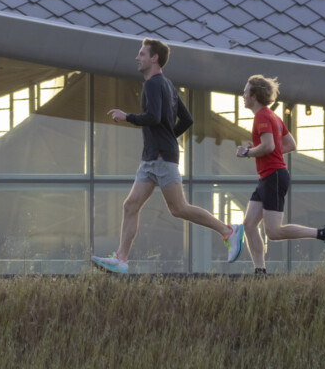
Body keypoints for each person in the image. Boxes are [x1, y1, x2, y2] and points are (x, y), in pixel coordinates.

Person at [92, 38, 243, 274]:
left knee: (178, 208)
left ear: (154, 58)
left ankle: (229, 231)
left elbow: (152, 117)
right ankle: (121, 258)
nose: (137, 57)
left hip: (161, 157)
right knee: (130, 205)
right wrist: (169, 137)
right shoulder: (168, 85)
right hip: (153, 156)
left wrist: (127, 116)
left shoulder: (153, 85)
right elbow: (188, 120)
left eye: (142, 54)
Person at [235, 73, 325, 274]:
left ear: (254, 96)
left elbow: (268, 146)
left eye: (245, 92)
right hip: (268, 176)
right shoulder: (272, 116)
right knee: (249, 224)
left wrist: (248, 152)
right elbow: (289, 144)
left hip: (273, 176)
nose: (243, 95)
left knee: (273, 231)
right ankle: (260, 271)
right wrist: (262, 148)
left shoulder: (263, 117)